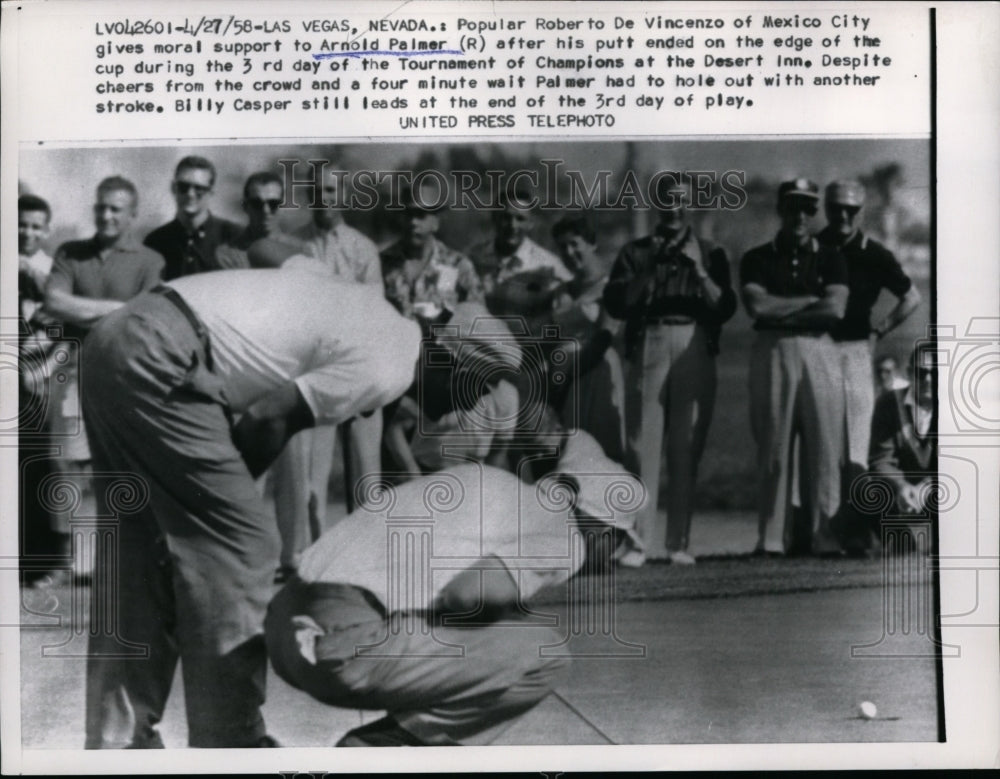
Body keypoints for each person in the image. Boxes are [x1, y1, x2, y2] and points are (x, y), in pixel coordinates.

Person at [79, 244, 421, 748]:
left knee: (138, 553)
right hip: (166, 356)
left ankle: (116, 745)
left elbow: (286, 277)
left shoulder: (361, 301)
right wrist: (229, 507)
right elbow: (268, 417)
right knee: (245, 547)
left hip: (116, 340)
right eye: (476, 388)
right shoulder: (394, 360)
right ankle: (231, 744)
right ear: (450, 358)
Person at [264, 454, 643, 746]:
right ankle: (385, 749)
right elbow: (467, 594)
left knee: (464, 635)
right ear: (603, 535)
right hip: (342, 646)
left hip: (284, 631)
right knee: (544, 653)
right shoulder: (567, 535)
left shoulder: (487, 480)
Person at [603, 179, 737, 564]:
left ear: (689, 204)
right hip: (651, 338)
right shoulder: (636, 251)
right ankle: (638, 542)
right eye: (666, 202)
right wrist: (649, 270)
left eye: (680, 202)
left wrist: (698, 269)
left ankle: (679, 543)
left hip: (695, 343)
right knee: (641, 446)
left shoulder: (711, 251)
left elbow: (725, 307)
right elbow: (617, 304)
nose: (674, 209)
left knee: (686, 446)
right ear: (656, 205)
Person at [42, 176, 164, 564]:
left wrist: (87, 309)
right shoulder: (71, 252)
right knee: (70, 460)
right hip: (75, 367)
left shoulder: (150, 261)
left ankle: (127, 553)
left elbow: (147, 315)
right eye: (100, 207)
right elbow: (54, 301)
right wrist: (118, 309)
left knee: (123, 460)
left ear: (131, 214)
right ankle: (76, 557)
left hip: (126, 370)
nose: (106, 215)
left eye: (115, 209)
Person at [268, 173, 384, 580]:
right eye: (316, 194)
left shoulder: (362, 249)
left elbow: (374, 311)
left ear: (345, 195)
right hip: (314, 370)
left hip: (357, 368)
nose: (324, 200)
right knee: (309, 479)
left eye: (332, 192)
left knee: (365, 474)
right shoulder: (294, 245)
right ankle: (310, 560)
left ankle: (367, 562)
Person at [740, 178, 849, 557]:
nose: (800, 215)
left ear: (814, 212)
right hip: (773, 351)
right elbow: (758, 308)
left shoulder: (831, 256)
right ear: (780, 209)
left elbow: (836, 309)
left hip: (821, 351)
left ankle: (825, 535)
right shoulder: (757, 257)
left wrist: (782, 305)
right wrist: (809, 302)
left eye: (807, 208)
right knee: (774, 446)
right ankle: (772, 539)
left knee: (824, 445)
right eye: (793, 207)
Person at [817, 180, 921, 504]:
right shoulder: (814, 247)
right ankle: (820, 531)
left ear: (860, 212)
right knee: (822, 441)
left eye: (851, 210)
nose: (843, 217)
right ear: (827, 210)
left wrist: (880, 330)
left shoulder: (875, 254)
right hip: (817, 351)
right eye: (837, 210)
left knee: (859, 443)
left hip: (858, 351)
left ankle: (857, 530)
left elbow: (911, 297)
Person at [548, 214, 627, 464]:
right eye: (563, 247)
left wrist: (567, 378)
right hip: (562, 375)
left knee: (602, 450)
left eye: (575, 244)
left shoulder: (611, 285)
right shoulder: (561, 289)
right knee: (568, 453)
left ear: (591, 243)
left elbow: (606, 335)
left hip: (595, 371)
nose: (569, 252)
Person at [18, 194, 61, 581]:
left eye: (35, 226)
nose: (27, 232)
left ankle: (43, 560)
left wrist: (34, 276)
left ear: (46, 231)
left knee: (39, 469)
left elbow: (62, 318)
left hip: (41, 378)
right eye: (21, 224)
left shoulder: (52, 269)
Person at [468, 187, 573, 324]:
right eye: (506, 217)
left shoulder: (549, 265)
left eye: (520, 219)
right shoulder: (476, 257)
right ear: (494, 217)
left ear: (530, 224)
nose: (513, 225)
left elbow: (568, 308)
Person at [381, 184, 485, 323]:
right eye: (408, 215)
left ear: (436, 222)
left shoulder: (458, 265)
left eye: (421, 215)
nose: (413, 222)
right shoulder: (383, 263)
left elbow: (478, 318)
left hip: (440, 343)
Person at [143, 156, 241, 281]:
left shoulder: (234, 237)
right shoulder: (155, 242)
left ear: (211, 192)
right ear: (174, 188)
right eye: (184, 187)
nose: (190, 194)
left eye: (199, 188)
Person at [214, 170, 300, 269]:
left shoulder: (300, 249)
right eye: (257, 204)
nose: (266, 210)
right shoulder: (227, 255)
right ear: (245, 207)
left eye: (273, 204)